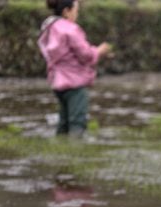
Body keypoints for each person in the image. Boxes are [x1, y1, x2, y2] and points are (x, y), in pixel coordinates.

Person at [38, 0, 111, 137]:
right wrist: (99, 51)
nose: (77, 14)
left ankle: (60, 149)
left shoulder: (50, 27)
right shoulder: (71, 29)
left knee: (63, 122)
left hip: (57, 82)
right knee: (77, 122)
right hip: (74, 82)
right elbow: (86, 55)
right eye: (76, 10)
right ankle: (76, 150)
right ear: (67, 11)